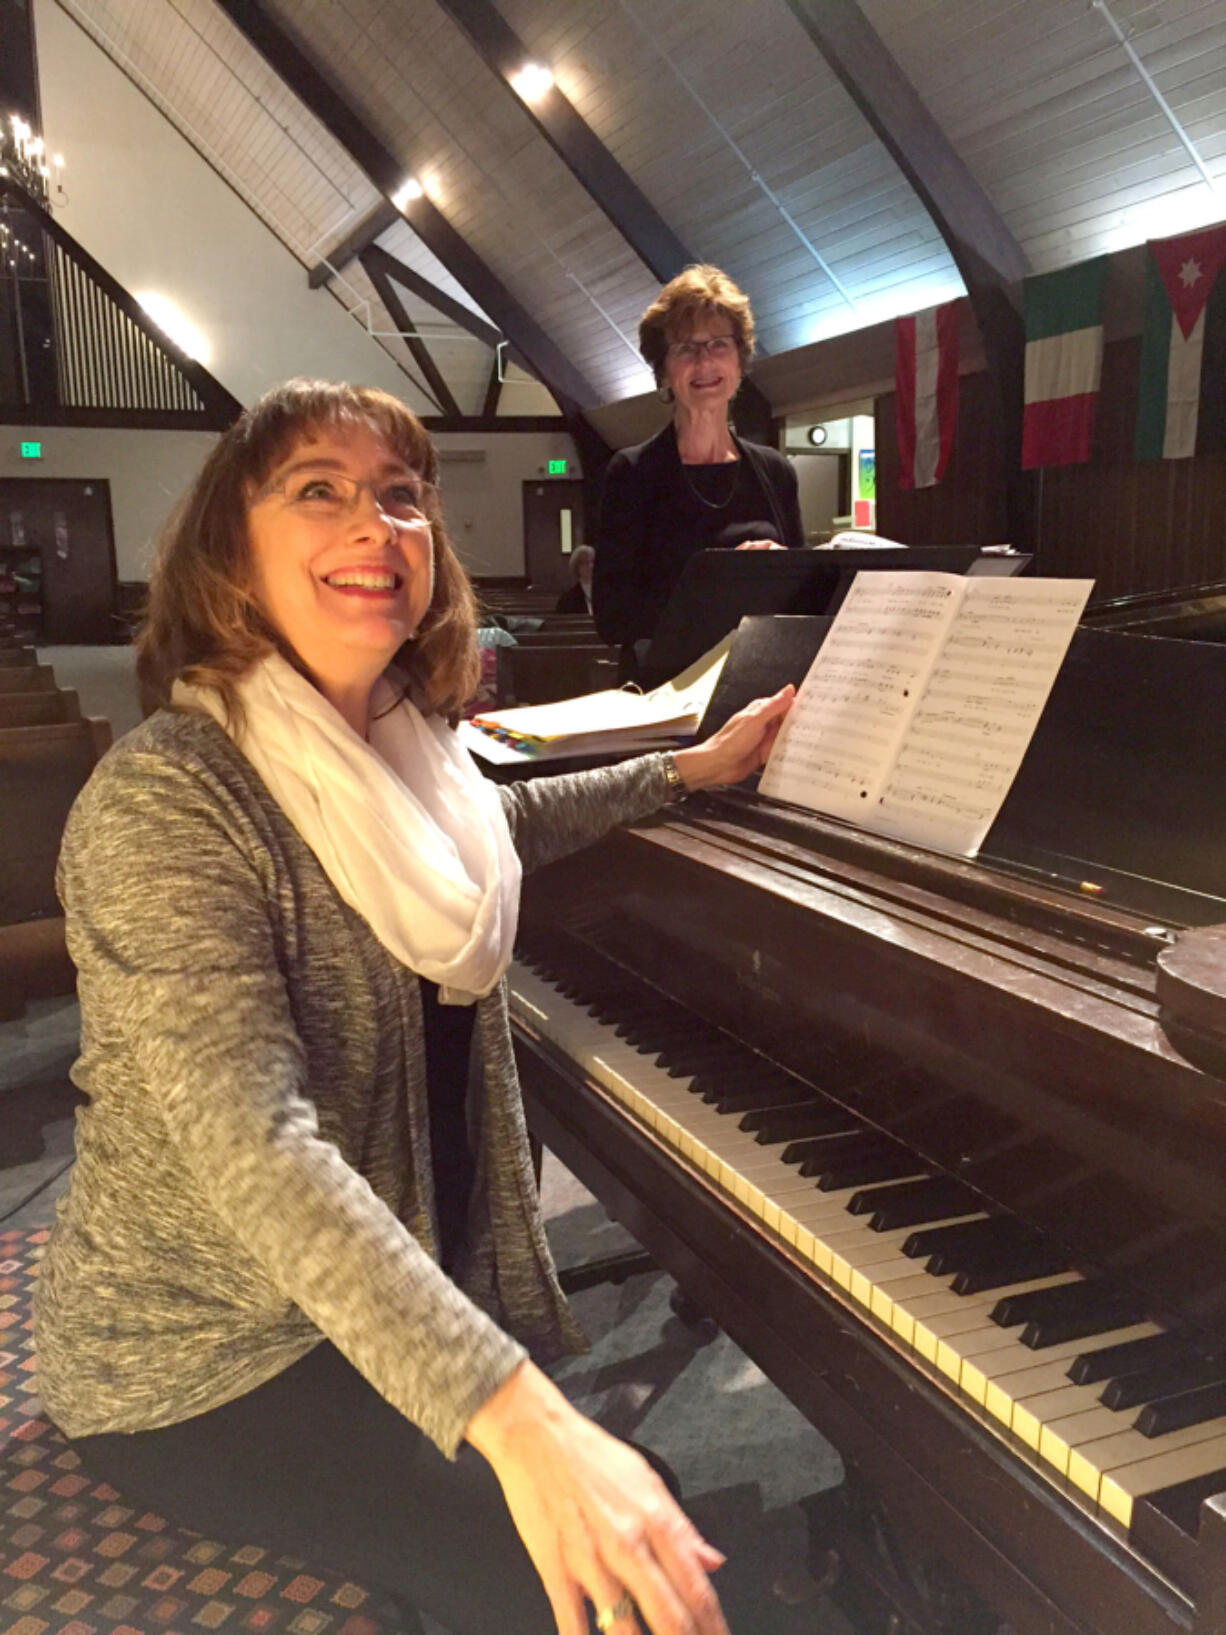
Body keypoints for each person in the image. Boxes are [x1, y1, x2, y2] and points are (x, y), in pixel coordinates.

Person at [33, 380, 794, 1635]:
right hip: (211, 1352)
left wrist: (680, 771)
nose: (375, 526)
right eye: (318, 491)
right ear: (232, 547)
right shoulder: (168, 801)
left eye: (400, 497)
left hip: (402, 1275)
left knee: (633, 1528)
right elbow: (252, 1143)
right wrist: (515, 1411)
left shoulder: (407, 746)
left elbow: (503, 824)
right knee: (608, 1583)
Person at [592, 265, 804, 658]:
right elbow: (613, 619)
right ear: (664, 370)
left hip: (758, 677)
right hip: (667, 690)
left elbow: (804, 603)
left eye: (719, 344)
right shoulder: (633, 473)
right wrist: (722, 581)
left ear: (740, 361)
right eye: (685, 348)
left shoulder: (775, 473)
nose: (704, 362)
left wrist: (780, 571)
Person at [555, 543, 595, 614]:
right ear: (576, 567)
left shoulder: (607, 593)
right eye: (585, 563)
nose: (590, 566)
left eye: (592, 562)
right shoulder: (568, 599)